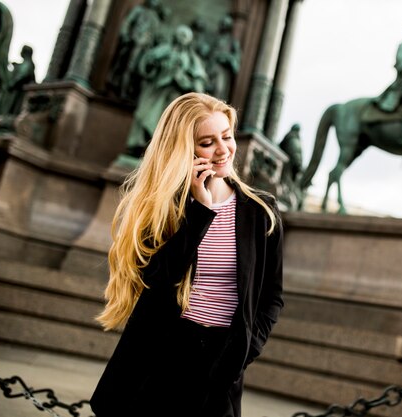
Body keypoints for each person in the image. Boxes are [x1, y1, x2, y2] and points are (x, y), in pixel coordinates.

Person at [91, 92, 284, 417]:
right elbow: (155, 284)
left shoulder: (261, 210)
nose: (223, 150)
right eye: (207, 142)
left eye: (226, 136)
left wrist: (245, 350)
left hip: (222, 363)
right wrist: (200, 212)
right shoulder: (159, 206)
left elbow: (271, 296)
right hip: (158, 359)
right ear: (183, 149)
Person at [124, 24, 207, 157]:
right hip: (155, 91)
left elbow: (198, 84)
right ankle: (137, 148)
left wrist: (184, 79)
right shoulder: (164, 50)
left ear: (189, 40)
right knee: (143, 117)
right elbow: (146, 64)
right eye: (180, 35)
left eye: (185, 36)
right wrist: (156, 65)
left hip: (174, 97)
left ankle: (155, 153)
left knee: (166, 126)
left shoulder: (192, 60)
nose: (182, 39)